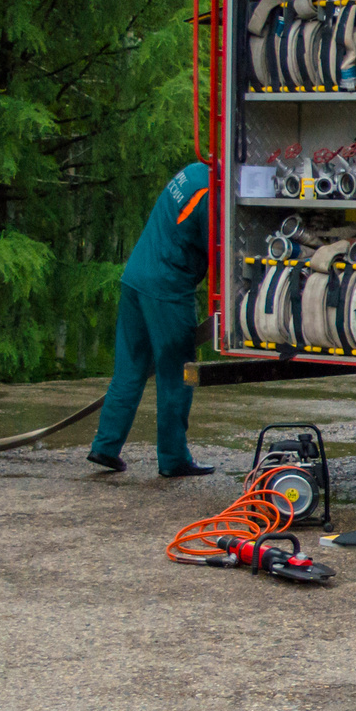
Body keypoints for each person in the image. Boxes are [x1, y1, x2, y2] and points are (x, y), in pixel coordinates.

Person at [89, 161, 216, 477]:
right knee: (176, 374)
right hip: (167, 287)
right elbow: (221, 249)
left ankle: (105, 447)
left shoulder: (194, 171)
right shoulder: (211, 196)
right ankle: (174, 459)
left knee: (129, 369)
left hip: (136, 277)